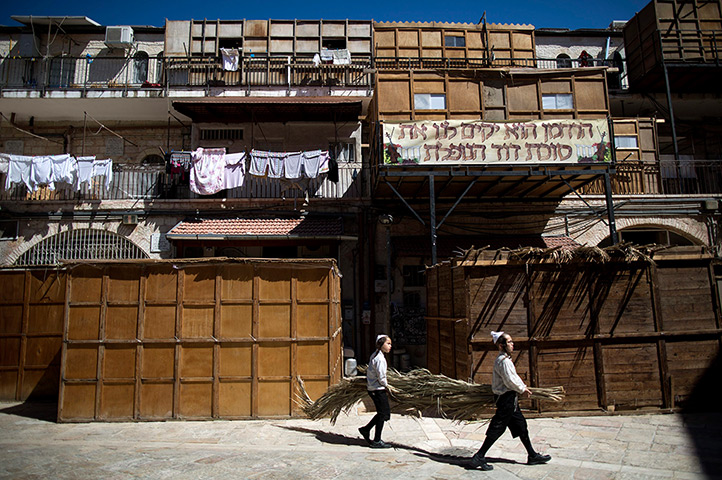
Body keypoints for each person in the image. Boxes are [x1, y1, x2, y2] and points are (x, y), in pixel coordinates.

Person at [468, 331, 551, 470]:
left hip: (510, 399)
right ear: (501, 345)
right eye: (510, 342)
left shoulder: (506, 360)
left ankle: (532, 455)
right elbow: (510, 380)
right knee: (498, 427)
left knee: (521, 426)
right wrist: (522, 389)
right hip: (506, 399)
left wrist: (523, 387)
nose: (513, 344)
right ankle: (479, 456)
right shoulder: (503, 362)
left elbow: (514, 377)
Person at [358, 334, 393, 448]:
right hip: (377, 390)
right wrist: (389, 387)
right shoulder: (379, 359)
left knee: (383, 414)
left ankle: (366, 429)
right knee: (383, 414)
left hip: (375, 389)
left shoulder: (376, 355)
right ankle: (377, 440)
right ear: (381, 344)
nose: (390, 346)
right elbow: (381, 377)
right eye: (388, 344)